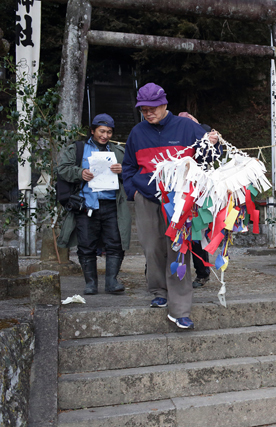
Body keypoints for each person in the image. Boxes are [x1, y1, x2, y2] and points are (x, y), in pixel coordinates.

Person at [122, 83, 218, 329]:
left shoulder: (187, 127)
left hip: (178, 198)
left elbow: (207, 159)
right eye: (143, 110)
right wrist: (133, 191)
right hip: (147, 196)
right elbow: (129, 166)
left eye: (152, 108)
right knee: (152, 247)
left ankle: (180, 309)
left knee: (178, 250)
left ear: (164, 104)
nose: (148, 113)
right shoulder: (137, 132)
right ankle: (158, 289)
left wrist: (213, 144)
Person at [57, 113, 131, 295]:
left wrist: (123, 171)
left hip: (112, 205)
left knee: (116, 243)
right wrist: (79, 172)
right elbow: (62, 169)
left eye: (109, 132)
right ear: (92, 131)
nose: (105, 136)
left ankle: (112, 282)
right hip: (86, 205)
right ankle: (90, 284)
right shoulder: (77, 149)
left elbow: (132, 173)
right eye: (101, 131)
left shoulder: (118, 152)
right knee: (86, 245)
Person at [178, 112, 212, 289]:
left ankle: (202, 273)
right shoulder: (173, 136)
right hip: (176, 192)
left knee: (197, 235)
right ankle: (171, 275)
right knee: (173, 235)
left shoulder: (204, 133)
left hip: (198, 191)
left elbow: (213, 153)